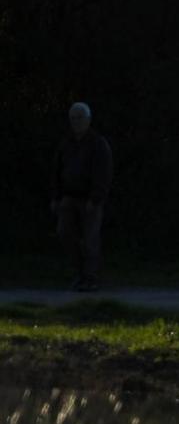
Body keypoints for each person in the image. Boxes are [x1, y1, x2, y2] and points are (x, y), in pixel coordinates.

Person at [51, 101, 112, 292]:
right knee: (64, 233)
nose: (76, 122)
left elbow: (103, 173)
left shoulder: (97, 143)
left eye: (80, 118)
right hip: (68, 197)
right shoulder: (66, 143)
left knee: (90, 238)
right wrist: (55, 197)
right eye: (73, 118)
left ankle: (91, 278)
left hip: (90, 199)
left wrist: (95, 199)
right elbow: (57, 171)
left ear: (88, 120)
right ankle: (79, 273)